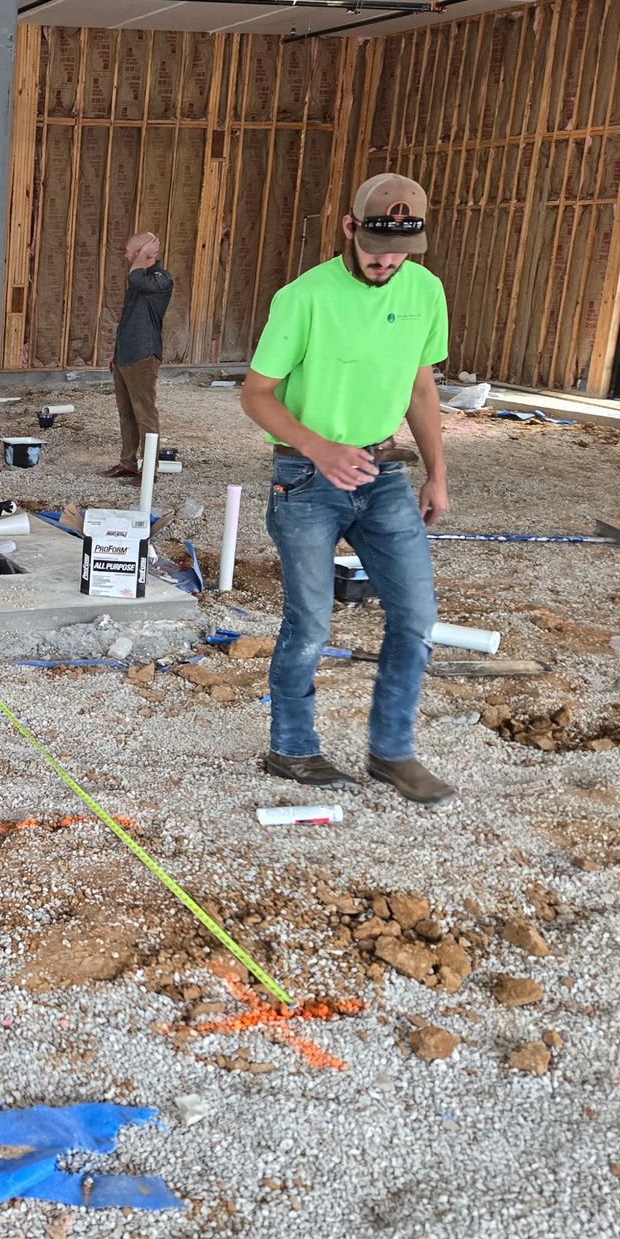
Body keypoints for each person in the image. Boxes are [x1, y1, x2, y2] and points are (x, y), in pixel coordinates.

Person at [240, 173, 454, 806]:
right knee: (309, 622)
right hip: (306, 477)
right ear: (349, 228)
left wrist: (436, 472)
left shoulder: (425, 291)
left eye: (401, 250)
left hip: (384, 475)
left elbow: (420, 388)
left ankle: (392, 753)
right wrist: (319, 448)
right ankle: (293, 747)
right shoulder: (302, 298)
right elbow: (255, 394)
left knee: (416, 618)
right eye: (376, 247)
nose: (387, 261)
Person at [107, 231, 172, 479]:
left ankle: (149, 470)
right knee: (126, 413)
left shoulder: (160, 279)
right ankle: (128, 462)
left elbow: (136, 278)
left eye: (128, 251)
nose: (125, 255)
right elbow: (128, 318)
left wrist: (144, 256)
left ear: (142, 253)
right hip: (126, 353)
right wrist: (116, 353)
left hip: (143, 355)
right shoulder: (141, 277)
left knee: (144, 413)